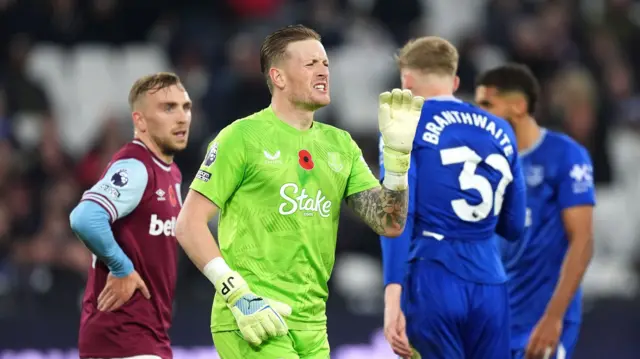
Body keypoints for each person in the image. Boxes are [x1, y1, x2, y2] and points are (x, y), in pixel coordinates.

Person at [174, 24, 424, 359]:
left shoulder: (340, 145)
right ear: (278, 77)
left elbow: (390, 223)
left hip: (312, 325)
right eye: (310, 64)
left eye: (325, 64)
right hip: (251, 317)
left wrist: (396, 162)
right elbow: (188, 224)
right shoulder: (241, 138)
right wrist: (237, 295)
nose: (323, 71)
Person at [379, 37, 527, 359]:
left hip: (434, 274)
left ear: (406, 80)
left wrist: (392, 297)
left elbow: (397, 216)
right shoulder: (502, 129)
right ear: (455, 81)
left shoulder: (404, 125)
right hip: (491, 282)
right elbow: (515, 225)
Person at [475, 63, 595, 359]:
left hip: (543, 320)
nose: (478, 114)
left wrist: (554, 317)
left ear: (518, 106)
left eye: (487, 104)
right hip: (496, 320)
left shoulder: (565, 155)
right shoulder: (484, 164)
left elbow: (583, 241)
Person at [69, 72, 192, 359]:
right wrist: (121, 266)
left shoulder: (171, 172)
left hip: (147, 334)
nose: (182, 117)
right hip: (121, 334)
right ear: (140, 121)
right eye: (168, 108)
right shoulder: (136, 166)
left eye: (185, 106)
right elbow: (85, 217)